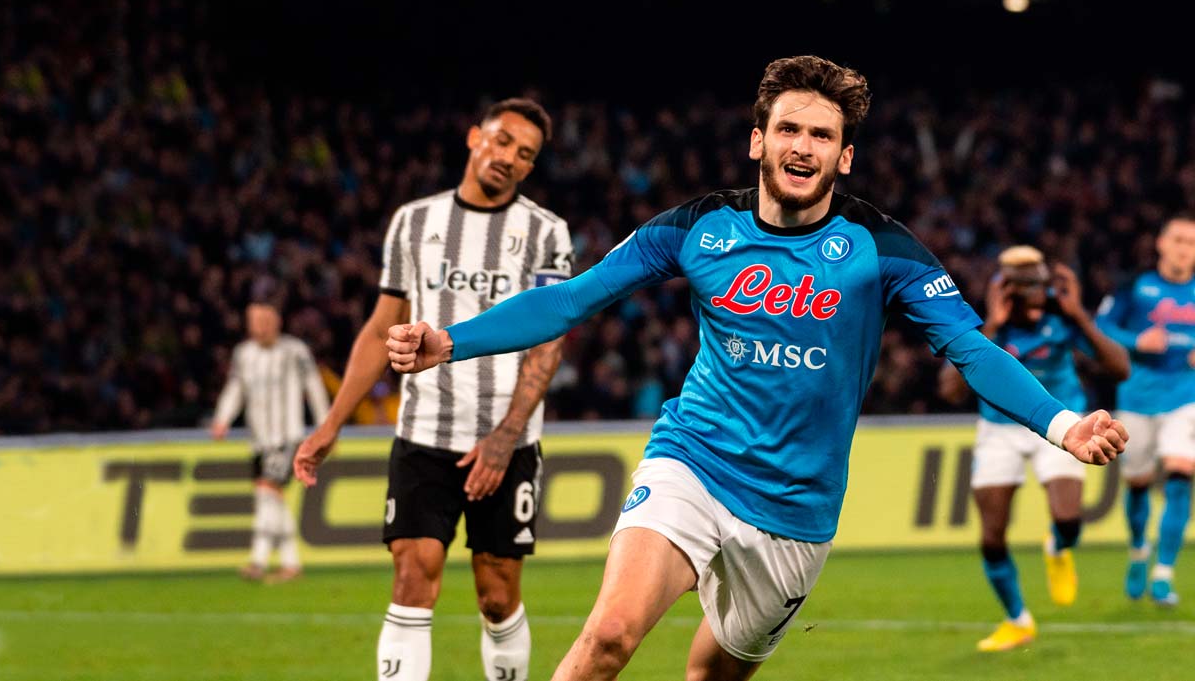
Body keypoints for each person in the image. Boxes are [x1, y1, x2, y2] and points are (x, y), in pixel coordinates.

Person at [382, 56, 1129, 681]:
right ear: (758, 141)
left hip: (797, 510)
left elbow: (971, 346)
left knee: (710, 673)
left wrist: (1062, 424)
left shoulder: (883, 248)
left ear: (845, 157)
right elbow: (574, 298)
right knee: (608, 635)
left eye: (822, 135)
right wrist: (451, 340)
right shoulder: (697, 226)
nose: (803, 147)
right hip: (694, 460)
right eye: (789, 129)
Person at [293, 98, 571, 681]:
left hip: (508, 442)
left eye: (525, 154)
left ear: (531, 167)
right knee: (412, 576)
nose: (510, 158)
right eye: (502, 141)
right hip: (423, 433)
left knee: (497, 593)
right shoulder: (413, 222)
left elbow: (549, 343)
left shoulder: (547, 232)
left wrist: (505, 437)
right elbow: (380, 328)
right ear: (474, 138)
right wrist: (331, 424)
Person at [938, 246, 1129, 651]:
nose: (1035, 290)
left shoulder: (1062, 320)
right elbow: (950, 391)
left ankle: (1057, 547)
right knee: (991, 537)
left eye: (1038, 280)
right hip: (998, 429)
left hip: (1060, 423)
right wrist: (992, 324)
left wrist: (1080, 316)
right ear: (1005, 287)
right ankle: (1017, 620)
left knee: (1068, 520)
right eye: (1024, 283)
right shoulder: (984, 329)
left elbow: (1120, 368)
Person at [1096, 215, 1195, 606]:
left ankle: (1164, 574)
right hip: (1137, 397)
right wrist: (1136, 340)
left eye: (1192, 242)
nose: (1185, 248)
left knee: (1181, 473)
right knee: (1137, 482)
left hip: (1185, 396)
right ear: (1161, 244)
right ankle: (1139, 547)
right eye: (1178, 239)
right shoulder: (1135, 286)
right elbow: (1100, 326)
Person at [211, 299, 330, 582]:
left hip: (287, 437)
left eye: (264, 321)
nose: (259, 327)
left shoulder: (294, 351)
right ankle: (290, 563)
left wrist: (325, 426)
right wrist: (222, 418)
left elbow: (314, 386)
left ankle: (258, 560)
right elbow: (236, 388)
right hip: (259, 440)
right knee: (270, 498)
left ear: (277, 321)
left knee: (267, 491)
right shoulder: (244, 354)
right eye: (254, 321)